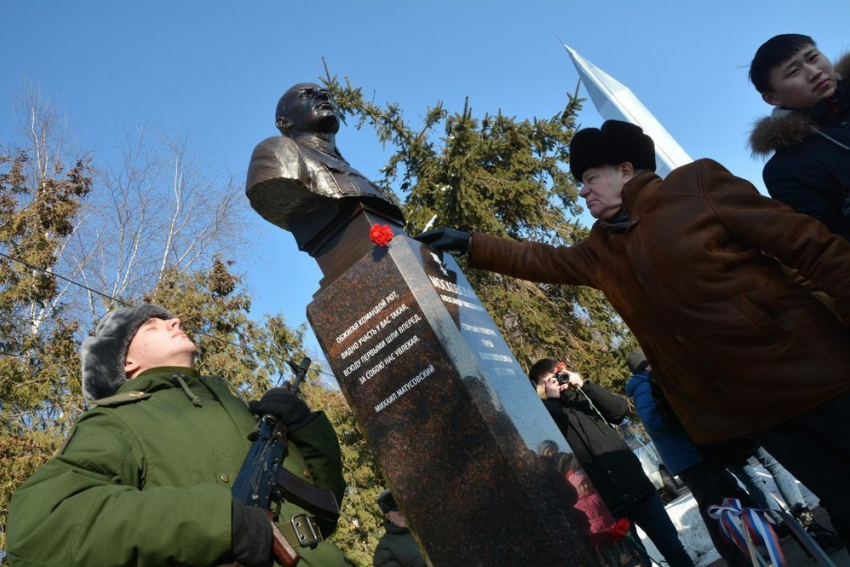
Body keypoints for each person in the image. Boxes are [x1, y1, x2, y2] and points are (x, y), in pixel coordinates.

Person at [416, 119, 850, 544]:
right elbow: (540, 260)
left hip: (818, 373)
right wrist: (473, 243)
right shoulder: (601, 250)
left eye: (590, 178)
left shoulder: (696, 185)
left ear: (626, 169)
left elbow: (811, 246)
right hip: (760, 408)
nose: (582, 191)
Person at [6, 304, 352, 567]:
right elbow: (44, 526)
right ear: (125, 362)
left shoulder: (241, 412)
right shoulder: (119, 420)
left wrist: (306, 429)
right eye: (153, 325)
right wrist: (218, 522)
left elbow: (325, 507)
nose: (175, 321)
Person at [529, 358, 695, 567]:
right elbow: (555, 431)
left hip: (638, 489)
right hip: (608, 505)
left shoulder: (584, 396)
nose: (556, 383)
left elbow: (619, 411)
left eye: (557, 376)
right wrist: (551, 401)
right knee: (638, 563)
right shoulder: (547, 414)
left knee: (674, 550)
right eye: (548, 382)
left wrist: (584, 385)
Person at [625, 350, 754, 567]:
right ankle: (736, 555)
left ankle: (765, 531)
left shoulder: (647, 383)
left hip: (696, 452)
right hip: (687, 457)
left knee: (731, 492)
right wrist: (678, 417)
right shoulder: (644, 386)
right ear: (646, 366)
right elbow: (654, 424)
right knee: (713, 506)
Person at [246, 82, 404, 248]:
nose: (323, 97)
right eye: (306, 94)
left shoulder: (356, 174)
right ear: (283, 122)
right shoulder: (277, 152)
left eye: (328, 95)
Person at [748, 34, 850, 240]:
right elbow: (834, 243)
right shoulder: (786, 171)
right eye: (794, 72)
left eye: (813, 58)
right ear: (772, 98)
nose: (814, 73)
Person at [373, 489, 426, 567]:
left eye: (408, 509)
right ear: (388, 516)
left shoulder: (427, 525)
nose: (407, 515)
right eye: (400, 514)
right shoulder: (385, 549)